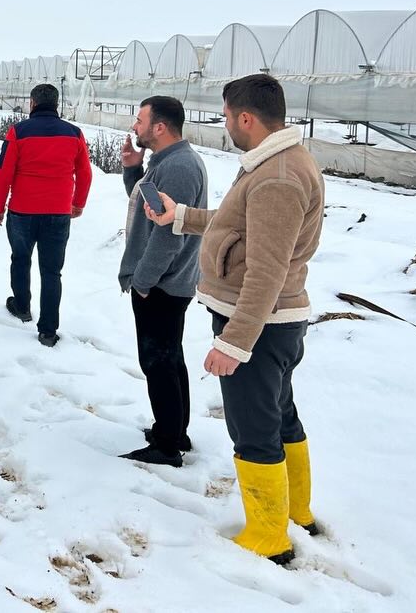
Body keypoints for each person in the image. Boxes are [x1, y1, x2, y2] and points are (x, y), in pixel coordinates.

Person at [146, 74, 323, 564]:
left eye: (225, 116)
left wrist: (235, 342)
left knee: (253, 428)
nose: (224, 124)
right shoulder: (275, 164)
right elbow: (236, 222)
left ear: (245, 117)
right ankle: (297, 512)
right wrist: (180, 216)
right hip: (273, 322)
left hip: (260, 325)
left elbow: (267, 269)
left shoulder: (277, 177)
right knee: (279, 415)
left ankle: (269, 536)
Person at [117, 96, 208, 468]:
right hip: (164, 281)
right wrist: (133, 170)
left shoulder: (179, 167)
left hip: (163, 284)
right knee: (169, 358)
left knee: (158, 362)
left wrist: (143, 280)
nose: (134, 126)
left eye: (140, 120)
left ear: (159, 127)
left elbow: (169, 234)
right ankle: (174, 431)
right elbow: (150, 208)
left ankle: (167, 445)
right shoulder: (167, 161)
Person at [0, 83, 92, 346]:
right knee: (51, 272)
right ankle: (48, 331)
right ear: (57, 104)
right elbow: (84, 172)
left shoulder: (18, 132)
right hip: (58, 213)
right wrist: (78, 203)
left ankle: (22, 306)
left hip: (22, 212)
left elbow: (4, 172)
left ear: (32, 103)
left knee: (20, 259)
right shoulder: (74, 133)